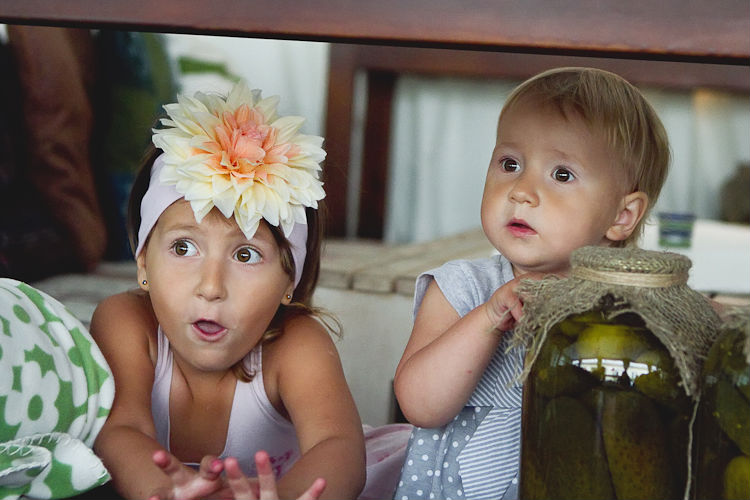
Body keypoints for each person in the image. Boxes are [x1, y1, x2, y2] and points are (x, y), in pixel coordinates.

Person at [392, 67, 670, 500]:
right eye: (510, 164)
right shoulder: (462, 287)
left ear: (622, 216)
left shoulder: (626, 308)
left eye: (562, 174)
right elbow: (419, 405)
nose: (521, 190)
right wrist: (489, 317)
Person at [90, 81, 366, 500]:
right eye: (183, 248)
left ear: (289, 281)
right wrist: (169, 492)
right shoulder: (125, 323)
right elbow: (120, 431)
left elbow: (339, 448)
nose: (211, 287)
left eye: (246, 255)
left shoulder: (295, 344)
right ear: (143, 262)